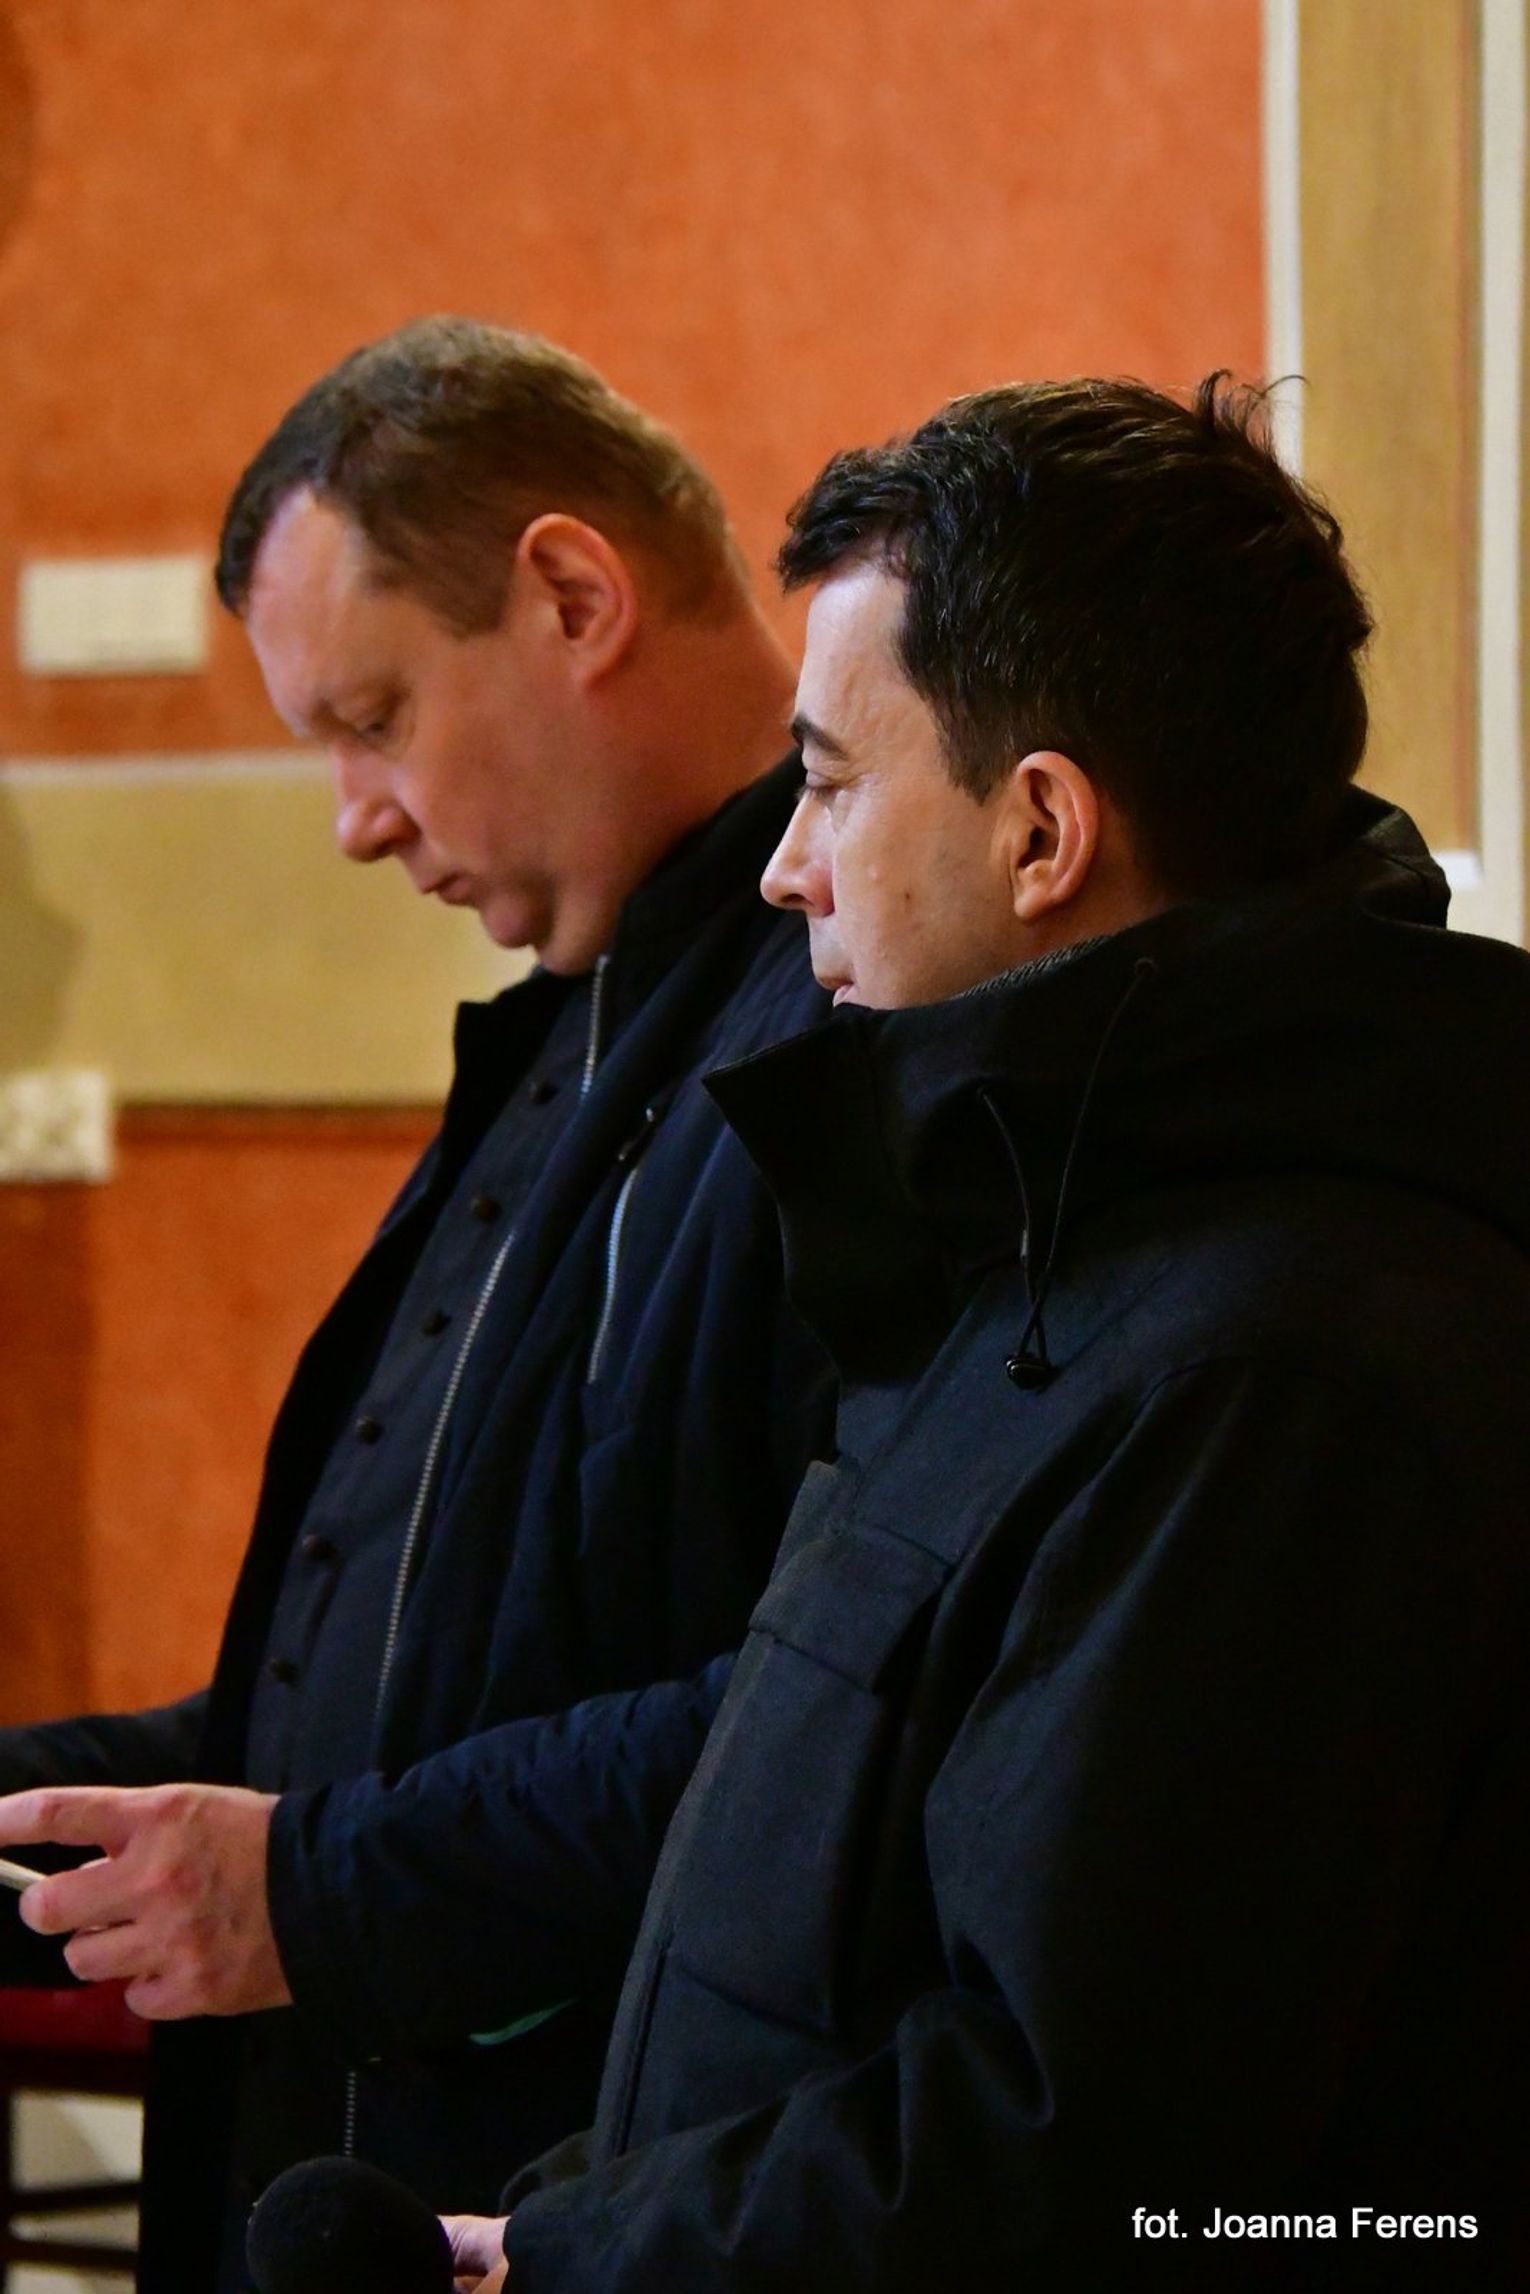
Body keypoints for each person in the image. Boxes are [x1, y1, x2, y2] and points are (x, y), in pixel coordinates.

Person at [443, 377, 1530, 2290]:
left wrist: (597, 2255)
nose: (785, 865)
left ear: (1040, 830)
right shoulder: (1035, 1236)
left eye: (830, 781)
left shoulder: (1275, 1365)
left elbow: (1077, 2141)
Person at [0, 319, 833, 2289]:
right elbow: (403, 1681)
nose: (354, 817)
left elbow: (827, 1715)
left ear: (572, 596)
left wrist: (314, 1885)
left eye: (372, 716)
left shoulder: (833, 1041)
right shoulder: (575, 1016)